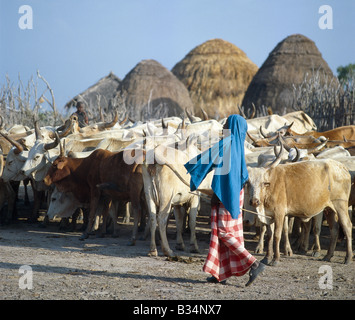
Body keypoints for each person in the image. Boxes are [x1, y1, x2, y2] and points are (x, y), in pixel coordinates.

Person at [184, 114, 265, 287]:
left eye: (226, 124)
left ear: (232, 127)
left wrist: (192, 170)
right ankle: (220, 274)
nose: (223, 127)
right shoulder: (239, 146)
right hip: (236, 193)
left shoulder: (227, 143)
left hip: (227, 194)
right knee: (226, 232)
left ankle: (254, 263)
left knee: (223, 232)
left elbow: (206, 160)